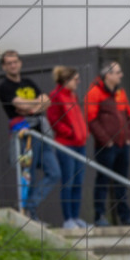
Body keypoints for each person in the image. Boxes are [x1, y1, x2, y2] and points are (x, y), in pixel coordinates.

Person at [0, 50, 56, 222]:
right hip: (24, 136)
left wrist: (31, 107)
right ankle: (28, 214)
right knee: (27, 175)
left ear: (20, 63)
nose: (13, 65)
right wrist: (37, 104)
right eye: (9, 63)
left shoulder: (28, 82)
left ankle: (31, 205)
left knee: (54, 172)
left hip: (40, 133)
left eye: (15, 61)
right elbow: (18, 104)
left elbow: (47, 101)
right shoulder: (4, 87)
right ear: (4, 66)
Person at [86, 60, 130, 227]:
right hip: (106, 147)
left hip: (123, 145)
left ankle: (125, 216)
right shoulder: (95, 93)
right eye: (118, 72)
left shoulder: (120, 92)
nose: (121, 75)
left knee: (121, 182)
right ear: (108, 75)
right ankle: (99, 216)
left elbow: (128, 116)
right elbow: (91, 120)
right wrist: (106, 141)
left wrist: (128, 137)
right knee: (103, 181)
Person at [47, 66, 89, 229]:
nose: (78, 82)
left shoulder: (72, 95)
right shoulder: (56, 96)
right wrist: (71, 133)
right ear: (66, 81)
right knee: (68, 181)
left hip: (79, 144)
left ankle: (76, 217)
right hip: (66, 145)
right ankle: (68, 219)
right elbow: (54, 120)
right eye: (75, 79)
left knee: (78, 182)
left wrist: (82, 133)